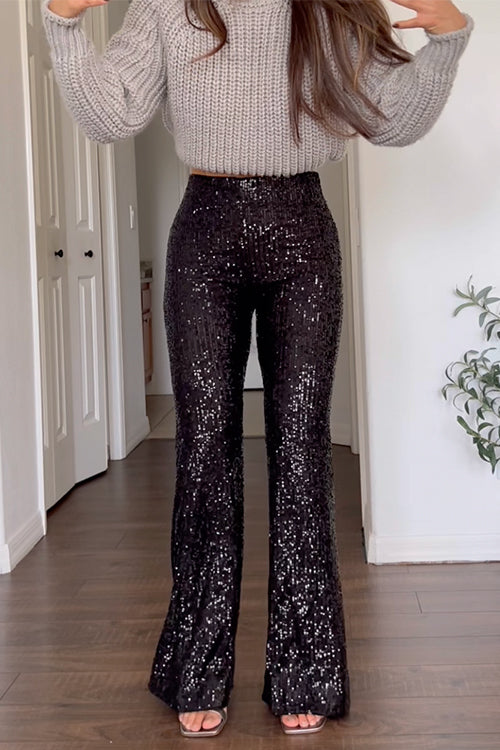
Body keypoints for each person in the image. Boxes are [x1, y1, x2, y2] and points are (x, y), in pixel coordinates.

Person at [42, 0, 473, 738]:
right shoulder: (169, 5)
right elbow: (113, 114)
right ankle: (198, 667)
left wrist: (448, 39)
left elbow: (392, 119)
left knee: (301, 450)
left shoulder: (332, 8)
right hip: (204, 233)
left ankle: (305, 668)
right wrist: (63, 22)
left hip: (302, 232)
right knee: (205, 447)